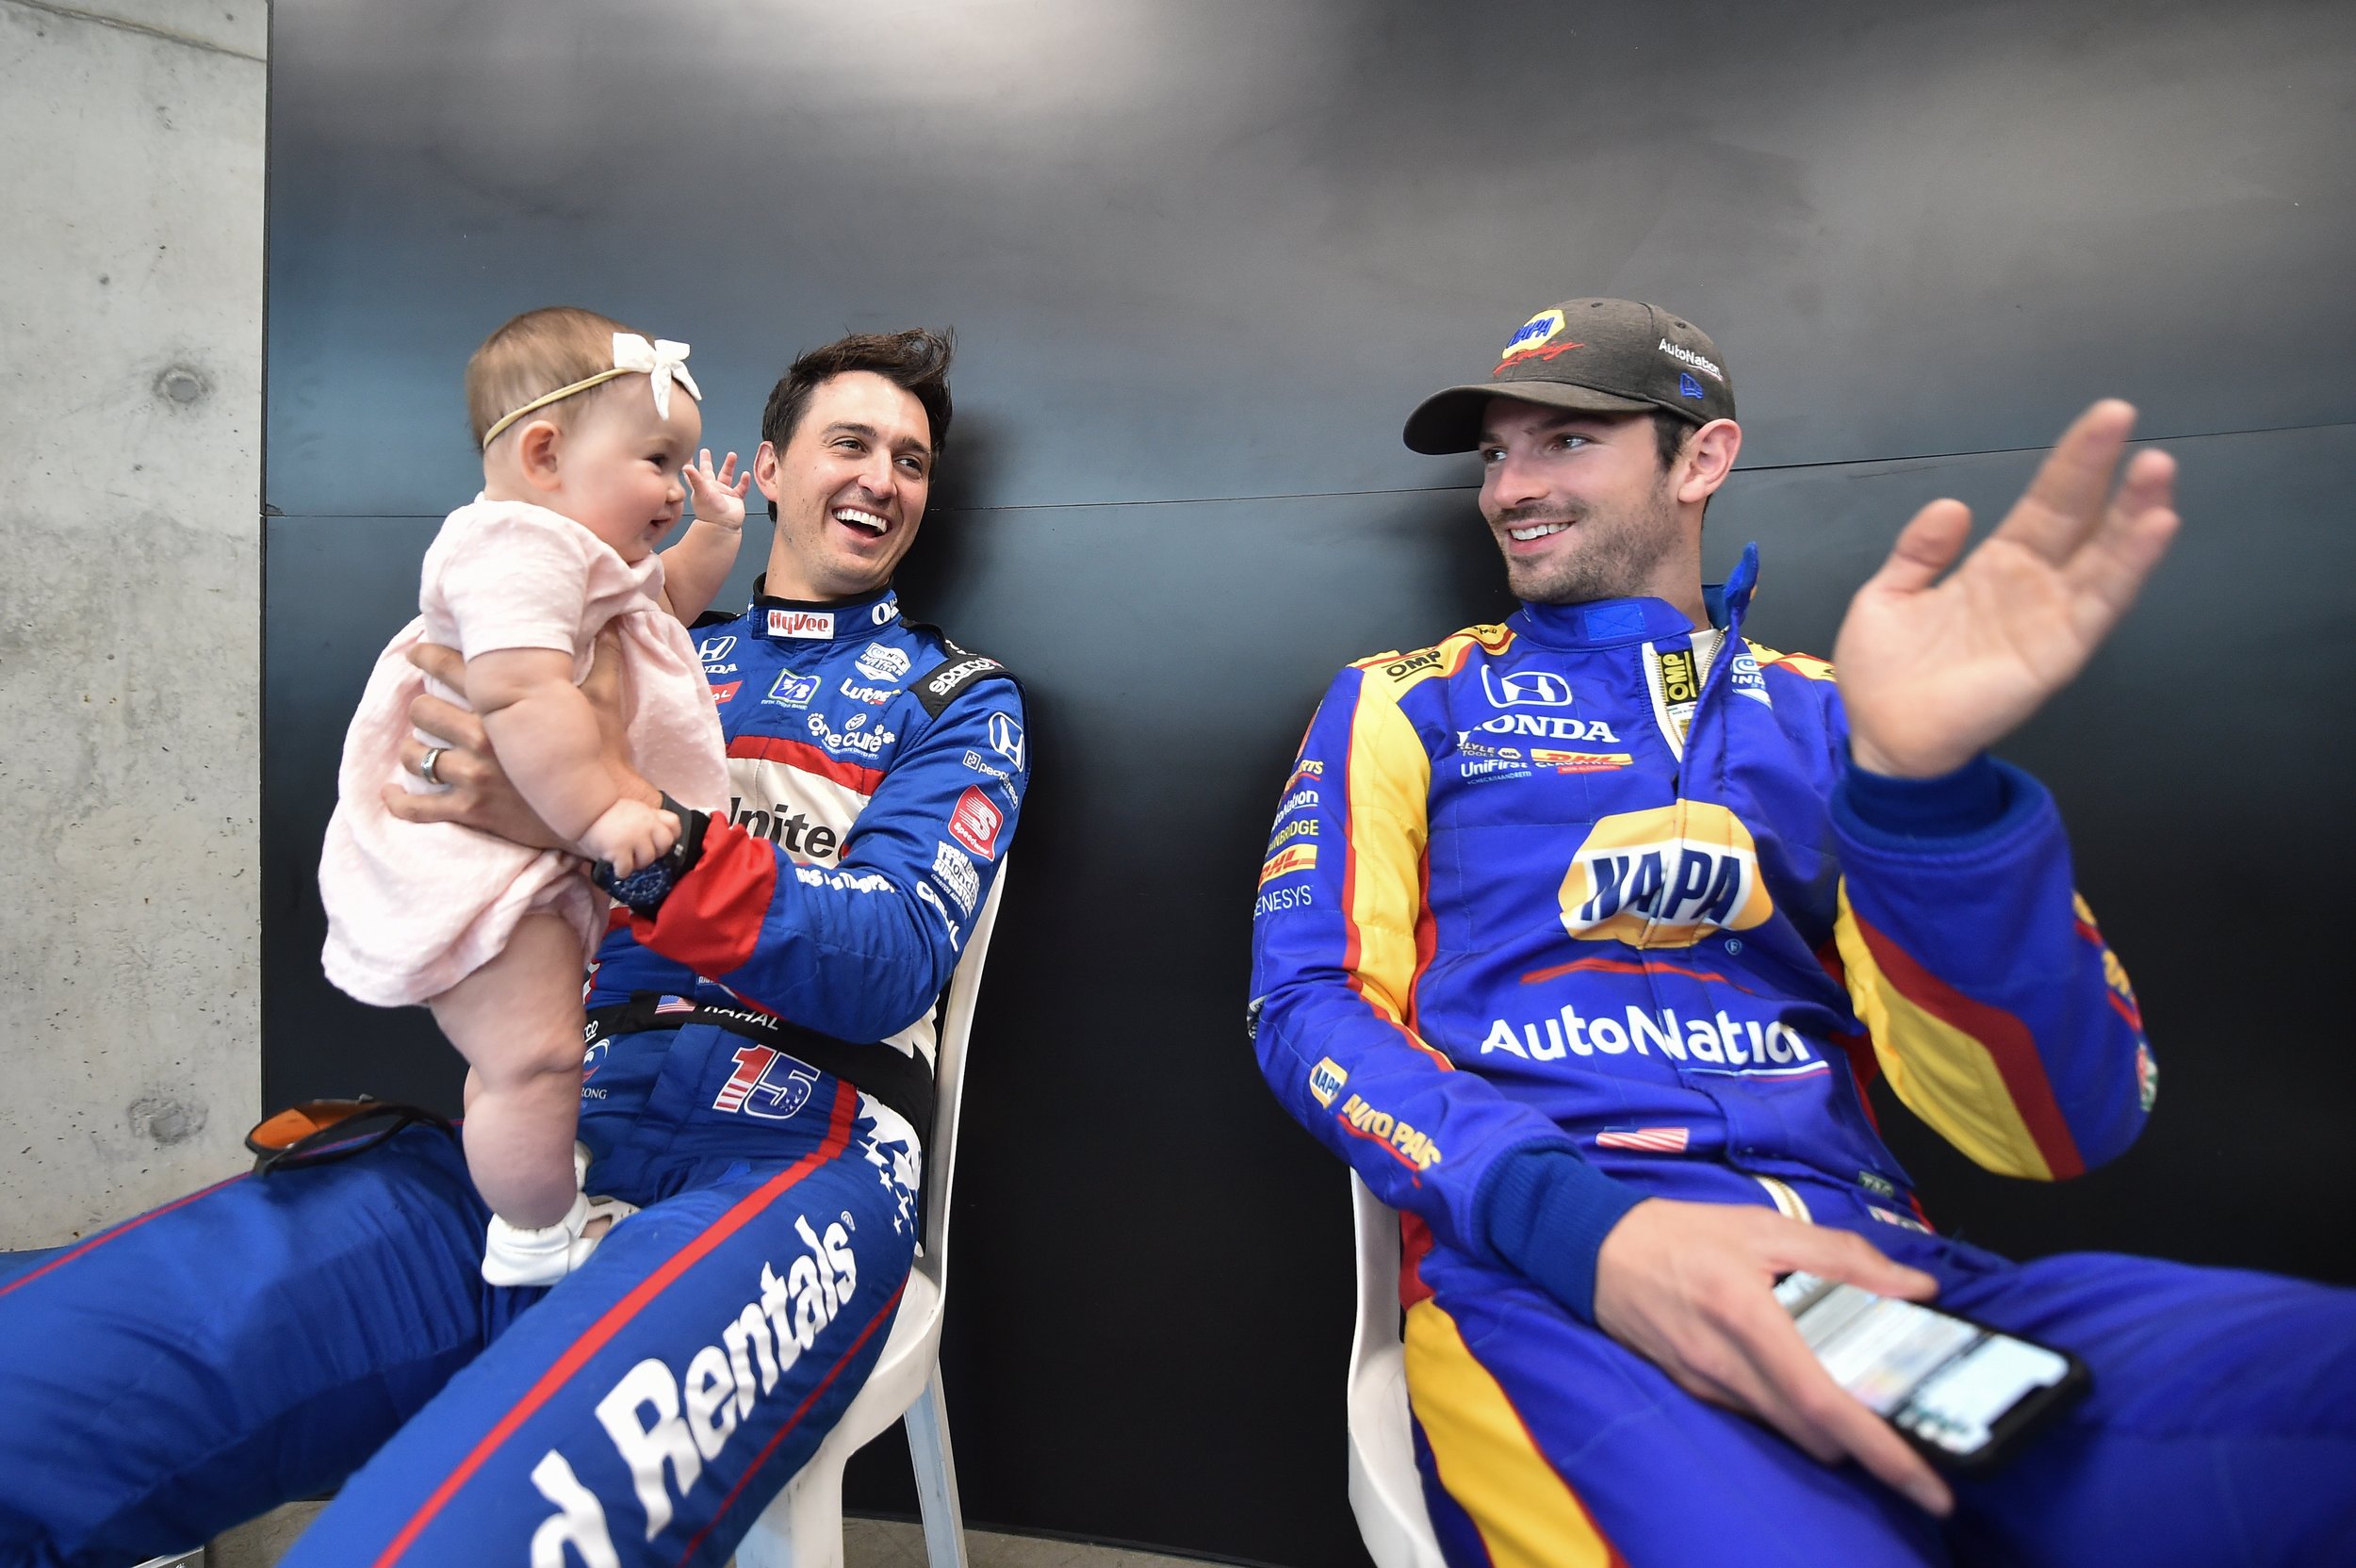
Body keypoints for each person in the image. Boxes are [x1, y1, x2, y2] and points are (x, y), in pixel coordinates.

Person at [1247, 298, 2356, 1565]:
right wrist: (1593, 1233)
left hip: (1884, 1284)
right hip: (1556, 1285)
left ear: (1700, 459)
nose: (1510, 488)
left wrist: (1926, 798)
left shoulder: (1846, 715)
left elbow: (2063, 1126)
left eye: (1563, 442)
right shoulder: (1407, 700)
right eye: (1497, 453)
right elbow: (1307, 1009)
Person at [0, 328, 1028, 1568]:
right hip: (542, 1133)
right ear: (762, 470)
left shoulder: (956, 695)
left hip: (797, 1152)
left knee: (452, 1539)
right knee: (48, 1384)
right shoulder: (622, 633)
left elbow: (893, 958)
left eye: (911, 462)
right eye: (850, 443)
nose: (881, 478)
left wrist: (606, 830)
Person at [319, 304, 749, 1286]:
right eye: (658, 459)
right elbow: (519, 694)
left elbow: (666, 602)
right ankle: (535, 1234)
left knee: (537, 1061)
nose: (677, 488)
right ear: (545, 453)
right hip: (478, 858)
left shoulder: (583, 565)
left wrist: (719, 533)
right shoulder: (516, 549)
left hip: (525, 855)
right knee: (536, 1061)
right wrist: (603, 814)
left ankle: (538, 1183)